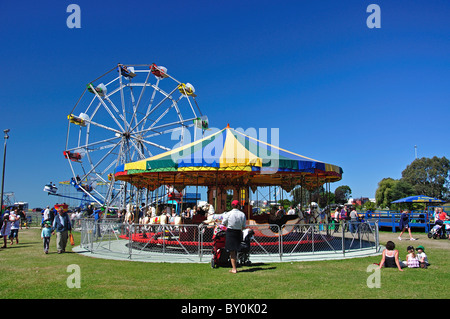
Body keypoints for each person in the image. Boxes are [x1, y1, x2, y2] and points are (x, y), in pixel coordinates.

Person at [222, 200, 246, 274]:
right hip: (238, 231)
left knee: (232, 251)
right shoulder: (242, 214)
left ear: (232, 206)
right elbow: (244, 226)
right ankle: (236, 265)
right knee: (237, 250)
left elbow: (223, 223)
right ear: (238, 206)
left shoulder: (228, 214)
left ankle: (234, 268)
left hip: (230, 232)